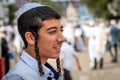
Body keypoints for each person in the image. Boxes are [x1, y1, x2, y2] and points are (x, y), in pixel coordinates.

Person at [2, 2, 65, 80]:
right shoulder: (19, 77)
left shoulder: (47, 72)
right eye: (52, 32)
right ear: (31, 38)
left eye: (61, 30)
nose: (62, 38)